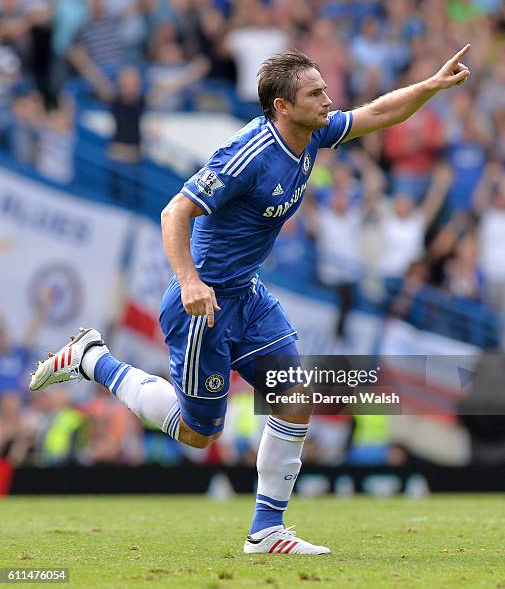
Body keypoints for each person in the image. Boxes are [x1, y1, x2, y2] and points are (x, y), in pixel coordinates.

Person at [30, 46, 471, 554]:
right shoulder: (249, 155)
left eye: (325, 89)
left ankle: (266, 531)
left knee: (296, 393)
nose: (329, 100)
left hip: (249, 294)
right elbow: (174, 212)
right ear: (282, 106)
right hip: (205, 305)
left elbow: (376, 114)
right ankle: (94, 360)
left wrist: (430, 86)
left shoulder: (312, 132)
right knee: (199, 434)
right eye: (315, 93)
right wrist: (191, 281)